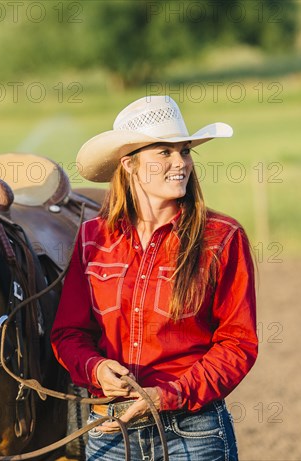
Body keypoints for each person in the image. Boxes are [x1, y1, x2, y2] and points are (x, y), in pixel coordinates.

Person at [51, 95, 258, 460]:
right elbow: (68, 333)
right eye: (164, 152)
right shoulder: (92, 239)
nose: (180, 163)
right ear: (129, 165)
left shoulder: (222, 237)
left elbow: (238, 343)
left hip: (193, 431)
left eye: (185, 151)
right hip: (112, 431)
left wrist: (169, 395)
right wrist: (95, 368)